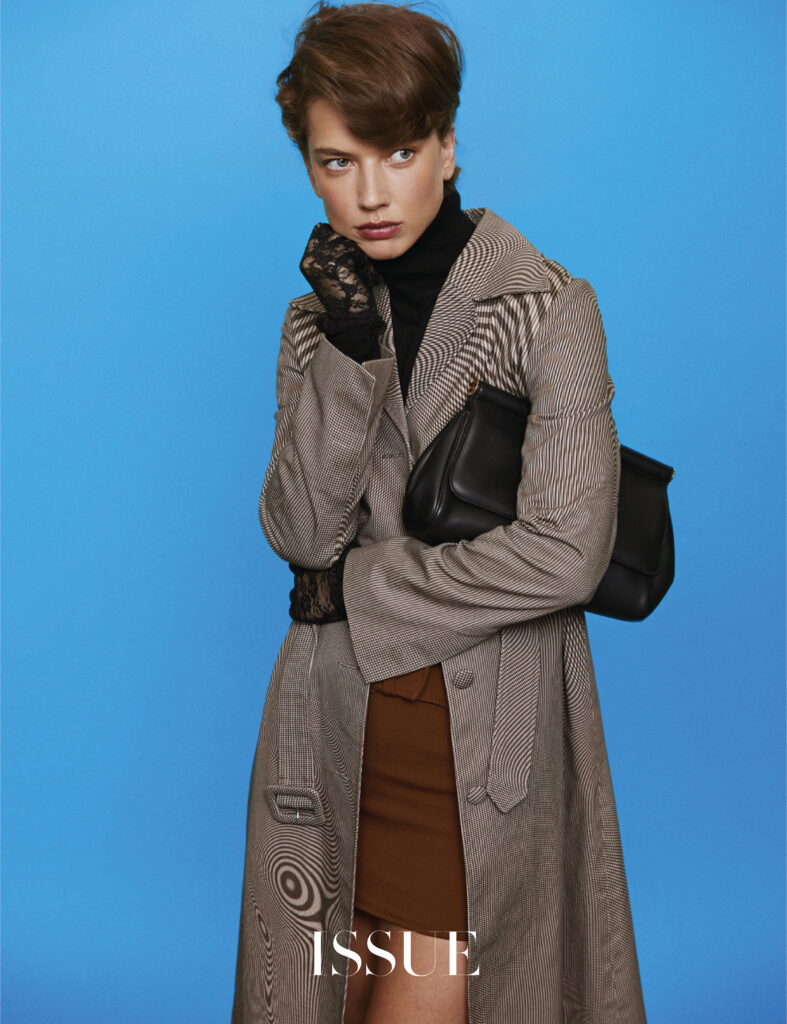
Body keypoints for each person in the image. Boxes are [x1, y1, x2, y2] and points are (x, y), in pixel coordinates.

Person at [231, 3, 648, 1023]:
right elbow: (299, 535)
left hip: (479, 733)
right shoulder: (315, 323)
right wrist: (348, 353)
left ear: (448, 147)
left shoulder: (547, 308)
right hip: (332, 722)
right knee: (325, 994)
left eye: (399, 152)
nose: (369, 193)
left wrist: (359, 589)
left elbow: (565, 552)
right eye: (336, 162)